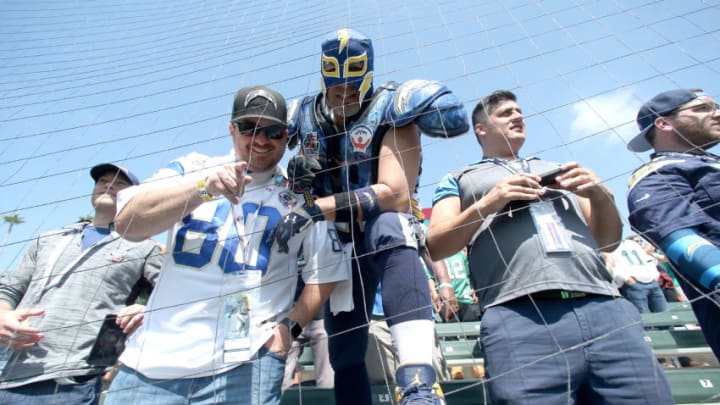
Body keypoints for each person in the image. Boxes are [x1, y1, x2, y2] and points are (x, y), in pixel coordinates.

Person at [104, 86, 349, 405]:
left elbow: (327, 270)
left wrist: (289, 327)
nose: (262, 140)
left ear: (286, 136)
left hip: (248, 365)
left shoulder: (300, 196)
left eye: (273, 131)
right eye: (250, 128)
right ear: (231, 129)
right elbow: (128, 222)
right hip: (152, 365)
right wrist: (202, 190)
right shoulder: (192, 167)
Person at [426, 89, 673, 403]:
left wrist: (599, 194)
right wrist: (492, 201)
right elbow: (436, 245)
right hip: (519, 315)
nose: (517, 117)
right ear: (481, 128)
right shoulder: (459, 177)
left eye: (519, 112)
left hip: (605, 307)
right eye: (505, 113)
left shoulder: (560, 168)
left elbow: (608, 241)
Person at [273, 28, 468, 405]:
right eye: (336, 86)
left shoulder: (393, 106)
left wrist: (314, 208)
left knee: (389, 225)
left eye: (351, 86)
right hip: (335, 243)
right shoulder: (303, 114)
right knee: (345, 350)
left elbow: (394, 194)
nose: (343, 93)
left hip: (385, 233)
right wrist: (297, 179)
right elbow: (276, 179)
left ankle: (419, 387)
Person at [0, 163, 162, 405]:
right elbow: (9, 289)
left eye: (119, 183)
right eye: (102, 181)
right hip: (10, 372)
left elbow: (173, 296)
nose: (108, 185)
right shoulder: (48, 240)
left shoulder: (145, 247)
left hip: (75, 379)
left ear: (135, 197)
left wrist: (146, 310)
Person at [626, 88, 720, 360]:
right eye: (703, 108)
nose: (717, 113)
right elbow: (679, 239)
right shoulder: (657, 176)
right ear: (664, 123)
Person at [608, 235, 668, 313]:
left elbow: (647, 260)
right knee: (645, 319)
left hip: (652, 282)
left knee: (664, 314)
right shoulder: (607, 246)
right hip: (634, 285)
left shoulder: (632, 243)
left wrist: (655, 276)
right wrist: (627, 279)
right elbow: (611, 264)